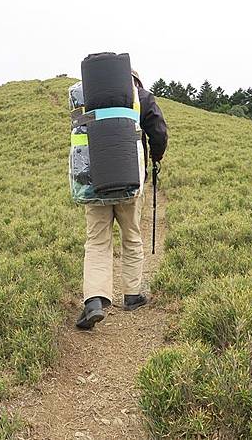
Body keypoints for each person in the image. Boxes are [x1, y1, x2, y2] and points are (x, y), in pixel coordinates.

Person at [76, 70, 168, 329]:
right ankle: (132, 294)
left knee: (97, 241)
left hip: (95, 182)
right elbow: (159, 132)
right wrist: (156, 157)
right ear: (136, 82)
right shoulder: (142, 98)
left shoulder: (89, 99)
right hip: (130, 179)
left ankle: (94, 300)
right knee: (131, 236)